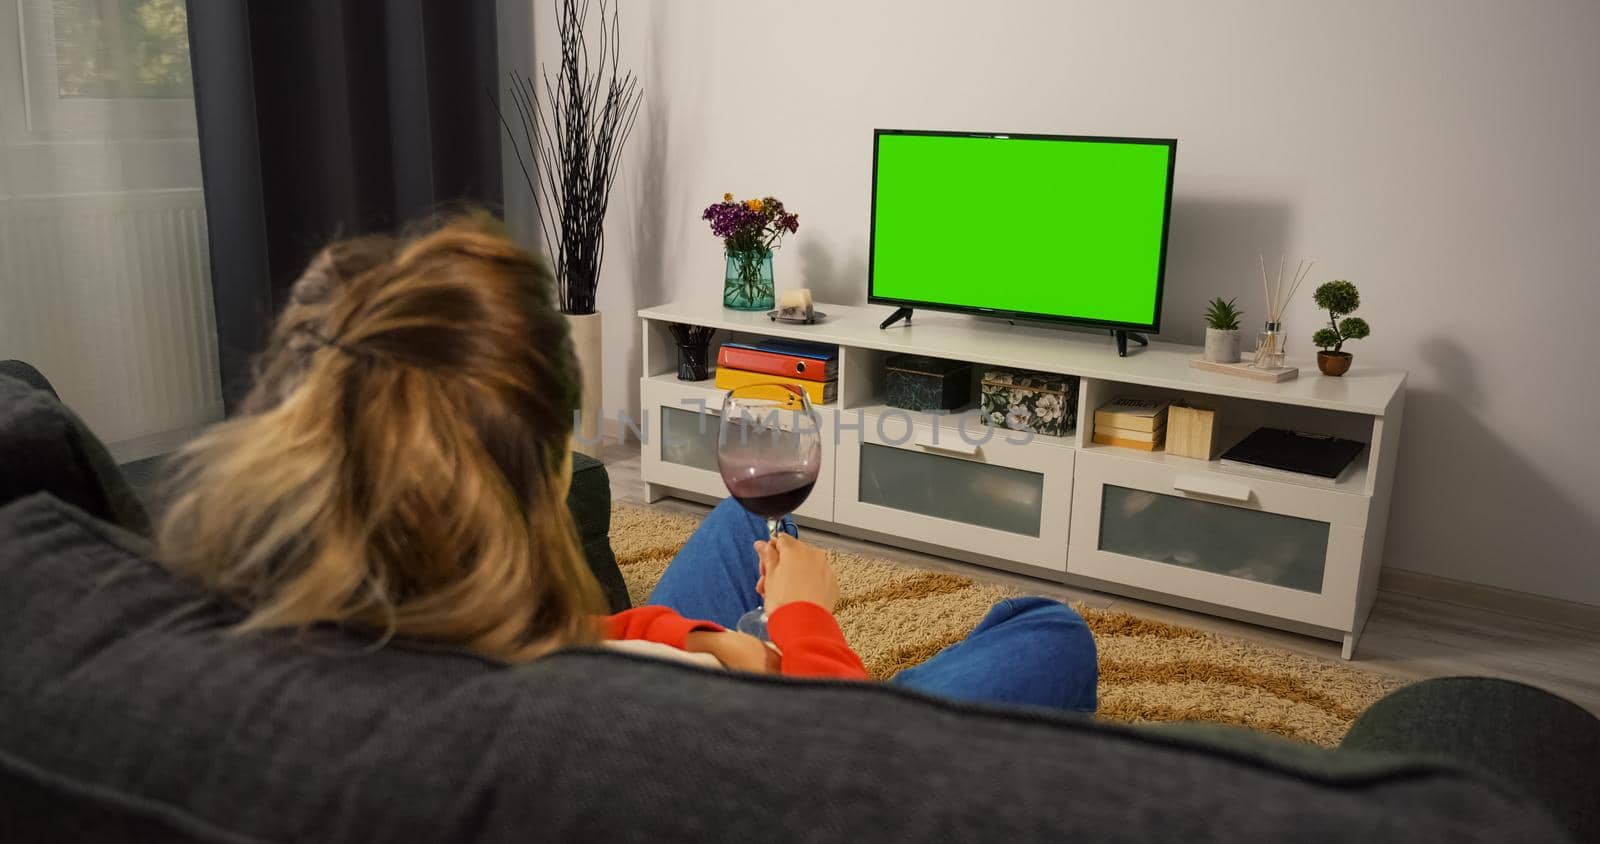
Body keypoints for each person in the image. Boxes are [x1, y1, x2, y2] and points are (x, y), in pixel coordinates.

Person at [158, 214, 1097, 712]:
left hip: (696, 669)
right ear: (546, 474)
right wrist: (805, 625)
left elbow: (576, 633)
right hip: (803, 731)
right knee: (1047, 628)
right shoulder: (602, 725)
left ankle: (752, 631)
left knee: (742, 520)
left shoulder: (359, 629)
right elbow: (848, 758)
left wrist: (699, 640)